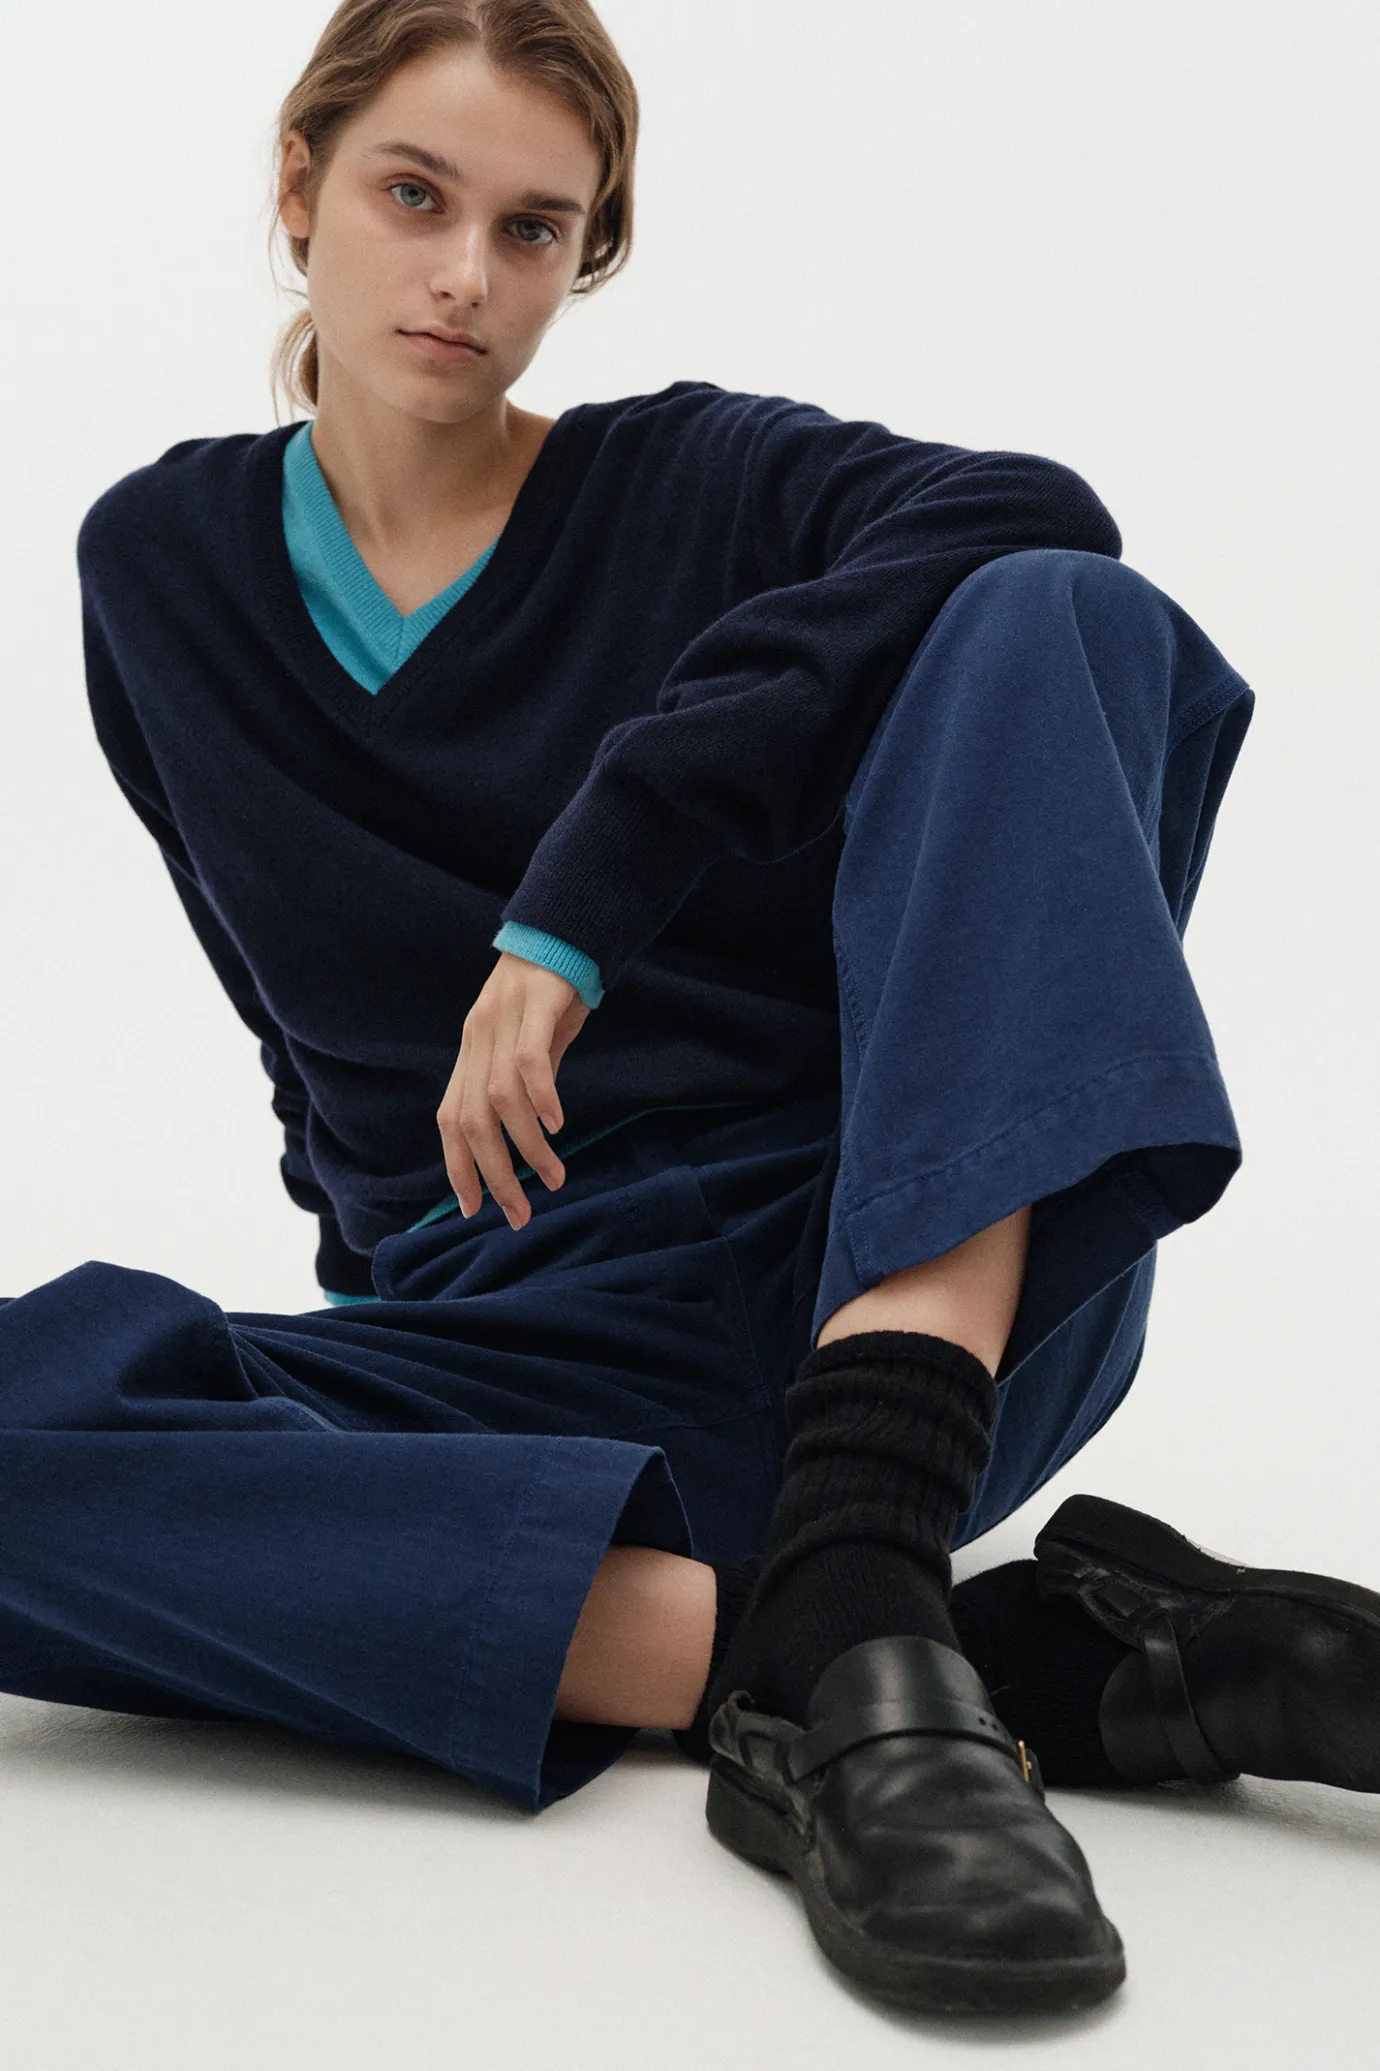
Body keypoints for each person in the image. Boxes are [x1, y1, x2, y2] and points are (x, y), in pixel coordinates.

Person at [14, 0, 1377, 2024]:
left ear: (588, 254)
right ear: (299, 186)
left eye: (536, 229)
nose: (469, 277)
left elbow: (1032, 504)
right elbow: (305, 1042)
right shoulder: (159, 569)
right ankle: (967, 1652)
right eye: (414, 196)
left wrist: (583, 900)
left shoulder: (693, 482)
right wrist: (356, 1459)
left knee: (1054, 616)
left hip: (907, 1270)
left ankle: (862, 1546)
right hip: (533, 1335)